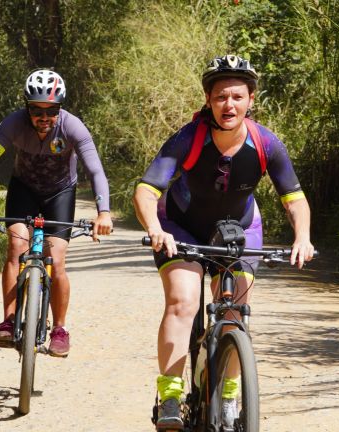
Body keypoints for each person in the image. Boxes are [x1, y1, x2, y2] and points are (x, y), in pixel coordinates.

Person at [133, 54, 314, 429]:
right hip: (181, 226)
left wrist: (303, 237)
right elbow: (147, 190)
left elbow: (293, 198)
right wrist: (155, 228)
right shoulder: (189, 138)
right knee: (183, 301)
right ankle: (169, 394)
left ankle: (230, 396)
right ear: (208, 101)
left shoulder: (266, 143)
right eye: (220, 97)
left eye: (236, 96)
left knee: (234, 314)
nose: (228, 105)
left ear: (250, 100)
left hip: (240, 229)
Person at [0, 69, 113, 357]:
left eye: (52, 110)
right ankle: (8, 322)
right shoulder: (13, 124)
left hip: (60, 193)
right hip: (24, 190)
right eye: (36, 110)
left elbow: (95, 171)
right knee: (16, 247)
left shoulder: (74, 128)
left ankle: (59, 328)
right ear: (26, 107)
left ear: (61, 107)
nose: (44, 117)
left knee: (56, 261)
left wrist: (103, 212)